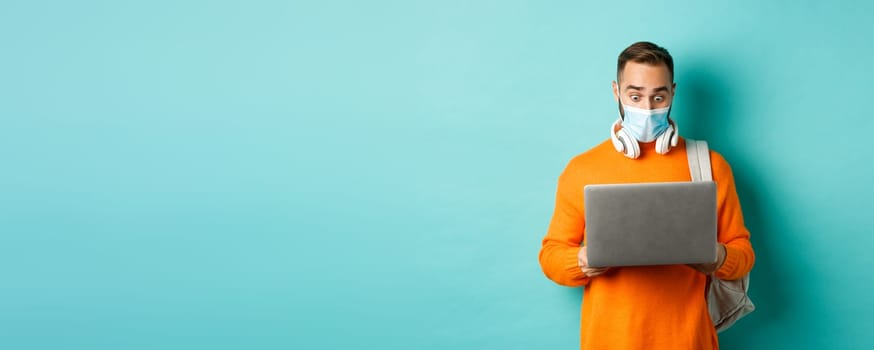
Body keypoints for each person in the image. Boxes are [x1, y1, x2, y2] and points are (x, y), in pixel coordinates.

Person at [538, 41, 755, 349]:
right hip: (609, 341)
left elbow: (743, 252)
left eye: (658, 97)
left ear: (673, 92)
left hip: (689, 340)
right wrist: (583, 261)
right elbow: (551, 255)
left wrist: (717, 257)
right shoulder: (582, 168)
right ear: (617, 92)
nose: (648, 108)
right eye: (635, 96)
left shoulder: (710, 165)